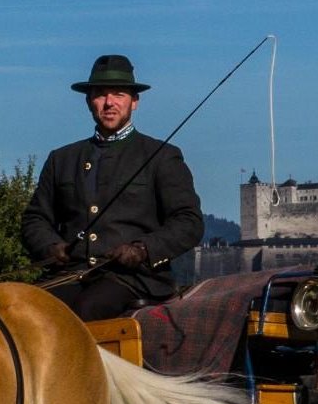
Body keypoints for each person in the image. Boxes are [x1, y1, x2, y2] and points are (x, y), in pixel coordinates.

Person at [21, 54, 204, 321]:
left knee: (87, 310)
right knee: (22, 310)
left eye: (118, 94)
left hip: (133, 278)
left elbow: (189, 222)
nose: (109, 103)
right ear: (88, 101)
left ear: (134, 102)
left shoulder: (162, 156)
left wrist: (143, 249)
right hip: (69, 275)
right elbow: (35, 218)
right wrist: (50, 246)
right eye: (100, 95)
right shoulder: (61, 159)